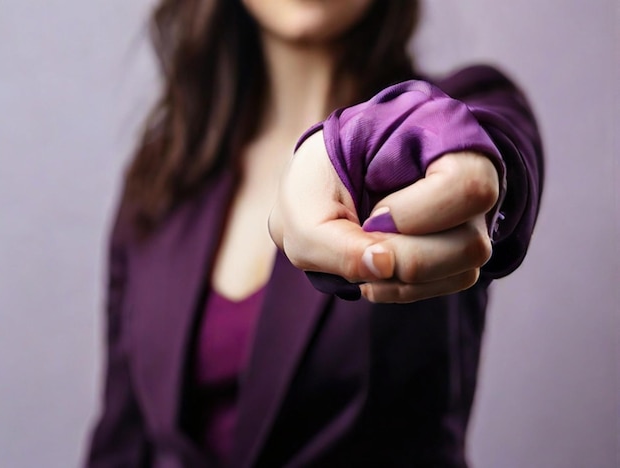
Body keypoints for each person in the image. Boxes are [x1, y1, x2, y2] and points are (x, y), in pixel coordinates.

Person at [86, 0, 544, 466]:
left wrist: (348, 145)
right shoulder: (162, 175)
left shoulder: (452, 113)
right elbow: (120, 444)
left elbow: (486, 146)